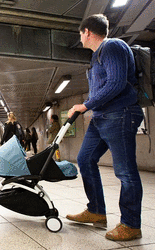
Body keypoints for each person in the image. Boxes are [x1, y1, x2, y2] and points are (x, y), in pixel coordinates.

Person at [65, 14, 144, 241]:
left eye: (80, 34)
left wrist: (85, 105)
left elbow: (117, 83)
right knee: (85, 159)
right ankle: (97, 211)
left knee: (125, 171)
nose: (80, 38)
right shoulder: (97, 56)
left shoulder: (112, 47)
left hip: (120, 115)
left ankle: (131, 224)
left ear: (87, 32)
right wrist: (90, 108)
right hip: (100, 118)